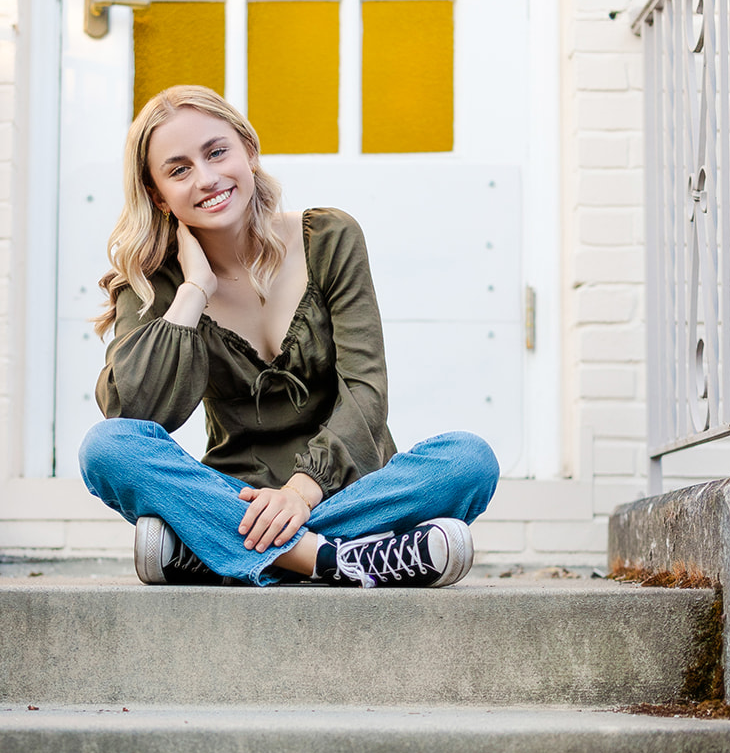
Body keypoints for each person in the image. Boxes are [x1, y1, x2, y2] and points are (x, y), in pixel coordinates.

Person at [79, 85, 499, 588]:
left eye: (217, 152)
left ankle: (214, 550)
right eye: (179, 169)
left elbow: (365, 389)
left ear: (249, 152)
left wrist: (300, 492)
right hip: (234, 493)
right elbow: (132, 416)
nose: (207, 178)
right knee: (104, 447)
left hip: (348, 487)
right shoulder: (151, 281)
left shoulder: (329, 239)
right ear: (157, 194)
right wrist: (192, 293)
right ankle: (342, 559)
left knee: (469, 460)